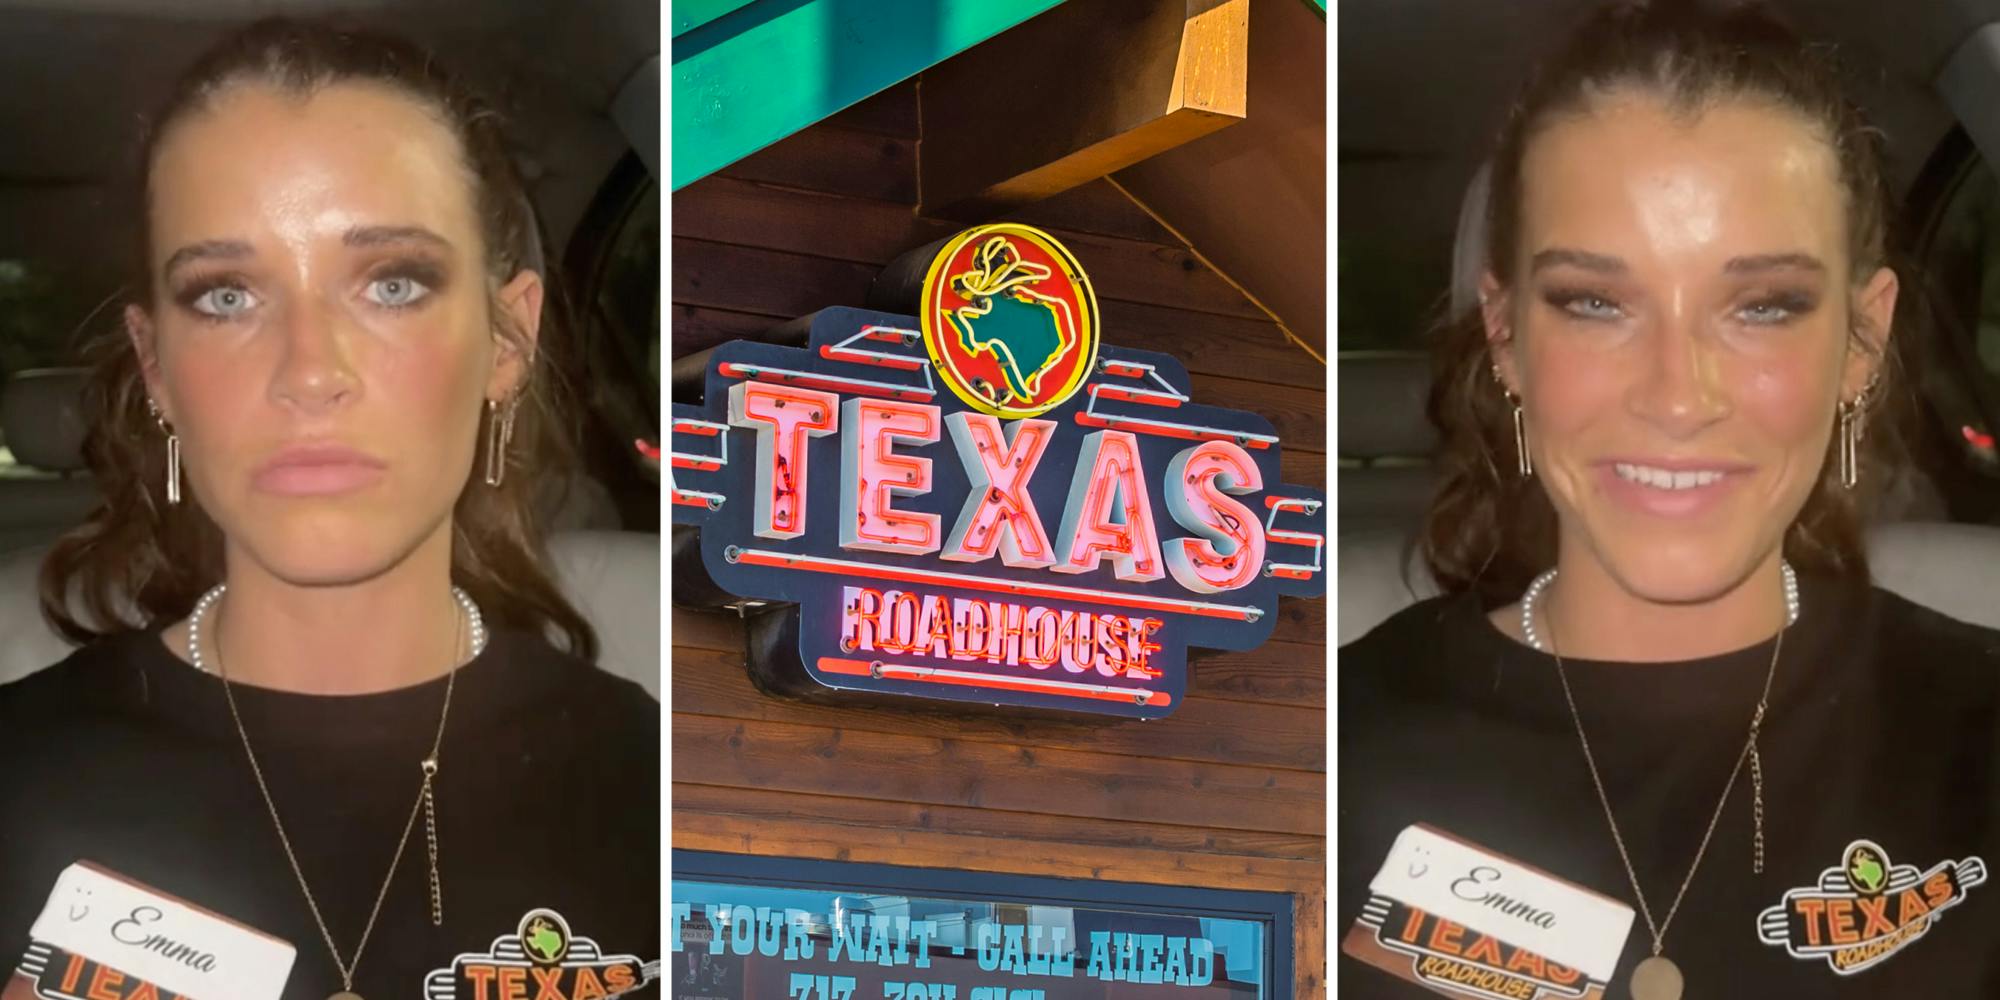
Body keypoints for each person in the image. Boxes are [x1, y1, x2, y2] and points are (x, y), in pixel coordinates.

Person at [1339, 2, 2000, 997]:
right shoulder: (1333, 744)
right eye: (1595, 303)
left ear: (1859, 345)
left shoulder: (1977, 734)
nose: (1677, 395)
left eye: (1761, 305)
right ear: (1506, 336)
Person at [0, 18, 659, 998]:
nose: (309, 371)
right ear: (156, 369)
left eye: (391, 282)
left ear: (507, 340)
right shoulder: (18, 772)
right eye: (225, 295)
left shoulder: (655, 782)